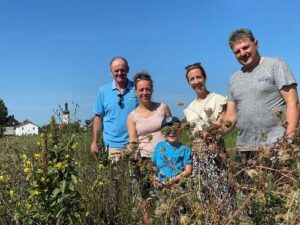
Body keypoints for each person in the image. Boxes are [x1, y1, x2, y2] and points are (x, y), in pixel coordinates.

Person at [225, 28, 299, 150]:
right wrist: (212, 133)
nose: (242, 53)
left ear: (256, 44)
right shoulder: (233, 79)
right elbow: (230, 117)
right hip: (244, 148)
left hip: (276, 146)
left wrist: (288, 140)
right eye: (237, 51)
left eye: (245, 47)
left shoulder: (275, 65)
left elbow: (293, 102)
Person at [183, 62, 235, 212]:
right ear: (189, 83)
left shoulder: (218, 99)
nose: (196, 81)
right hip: (198, 156)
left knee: (223, 195)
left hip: (216, 152)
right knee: (203, 198)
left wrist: (211, 132)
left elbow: (223, 122)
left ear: (205, 78)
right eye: (192, 79)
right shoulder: (189, 108)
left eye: (198, 77)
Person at [127, 71, 171, 225]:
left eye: (148, 89)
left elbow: (173, 132)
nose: (145, 92)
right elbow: (133, 142)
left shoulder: (163, 108)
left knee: (168, 195)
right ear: (136, 92)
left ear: (152, 89)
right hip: (145, 161)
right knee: (145, 199)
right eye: (141, 90)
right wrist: (142, 165)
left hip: (166, 159)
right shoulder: (132, 116)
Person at [91, 56, 139, 159]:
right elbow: (98, 118)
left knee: (135, 175)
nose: (120, 73)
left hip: (135, 144)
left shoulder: (137, 89)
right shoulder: (103, 91)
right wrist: (95, 141)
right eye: (116, 70)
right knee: (115, 175)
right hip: (111, 146)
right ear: (111, 72)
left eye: (123, 70)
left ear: (128, 70)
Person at [152, 116, 192, 189]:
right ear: (163, 132)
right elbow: (154, 166)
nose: (172, 131)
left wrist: (173, 180)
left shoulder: (185, 148)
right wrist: (155, 179)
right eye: (168, 129)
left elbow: (188, 171)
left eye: (175, 128)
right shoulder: (159, 146)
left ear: (180, 130)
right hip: (160, 186)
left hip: (178, 187)